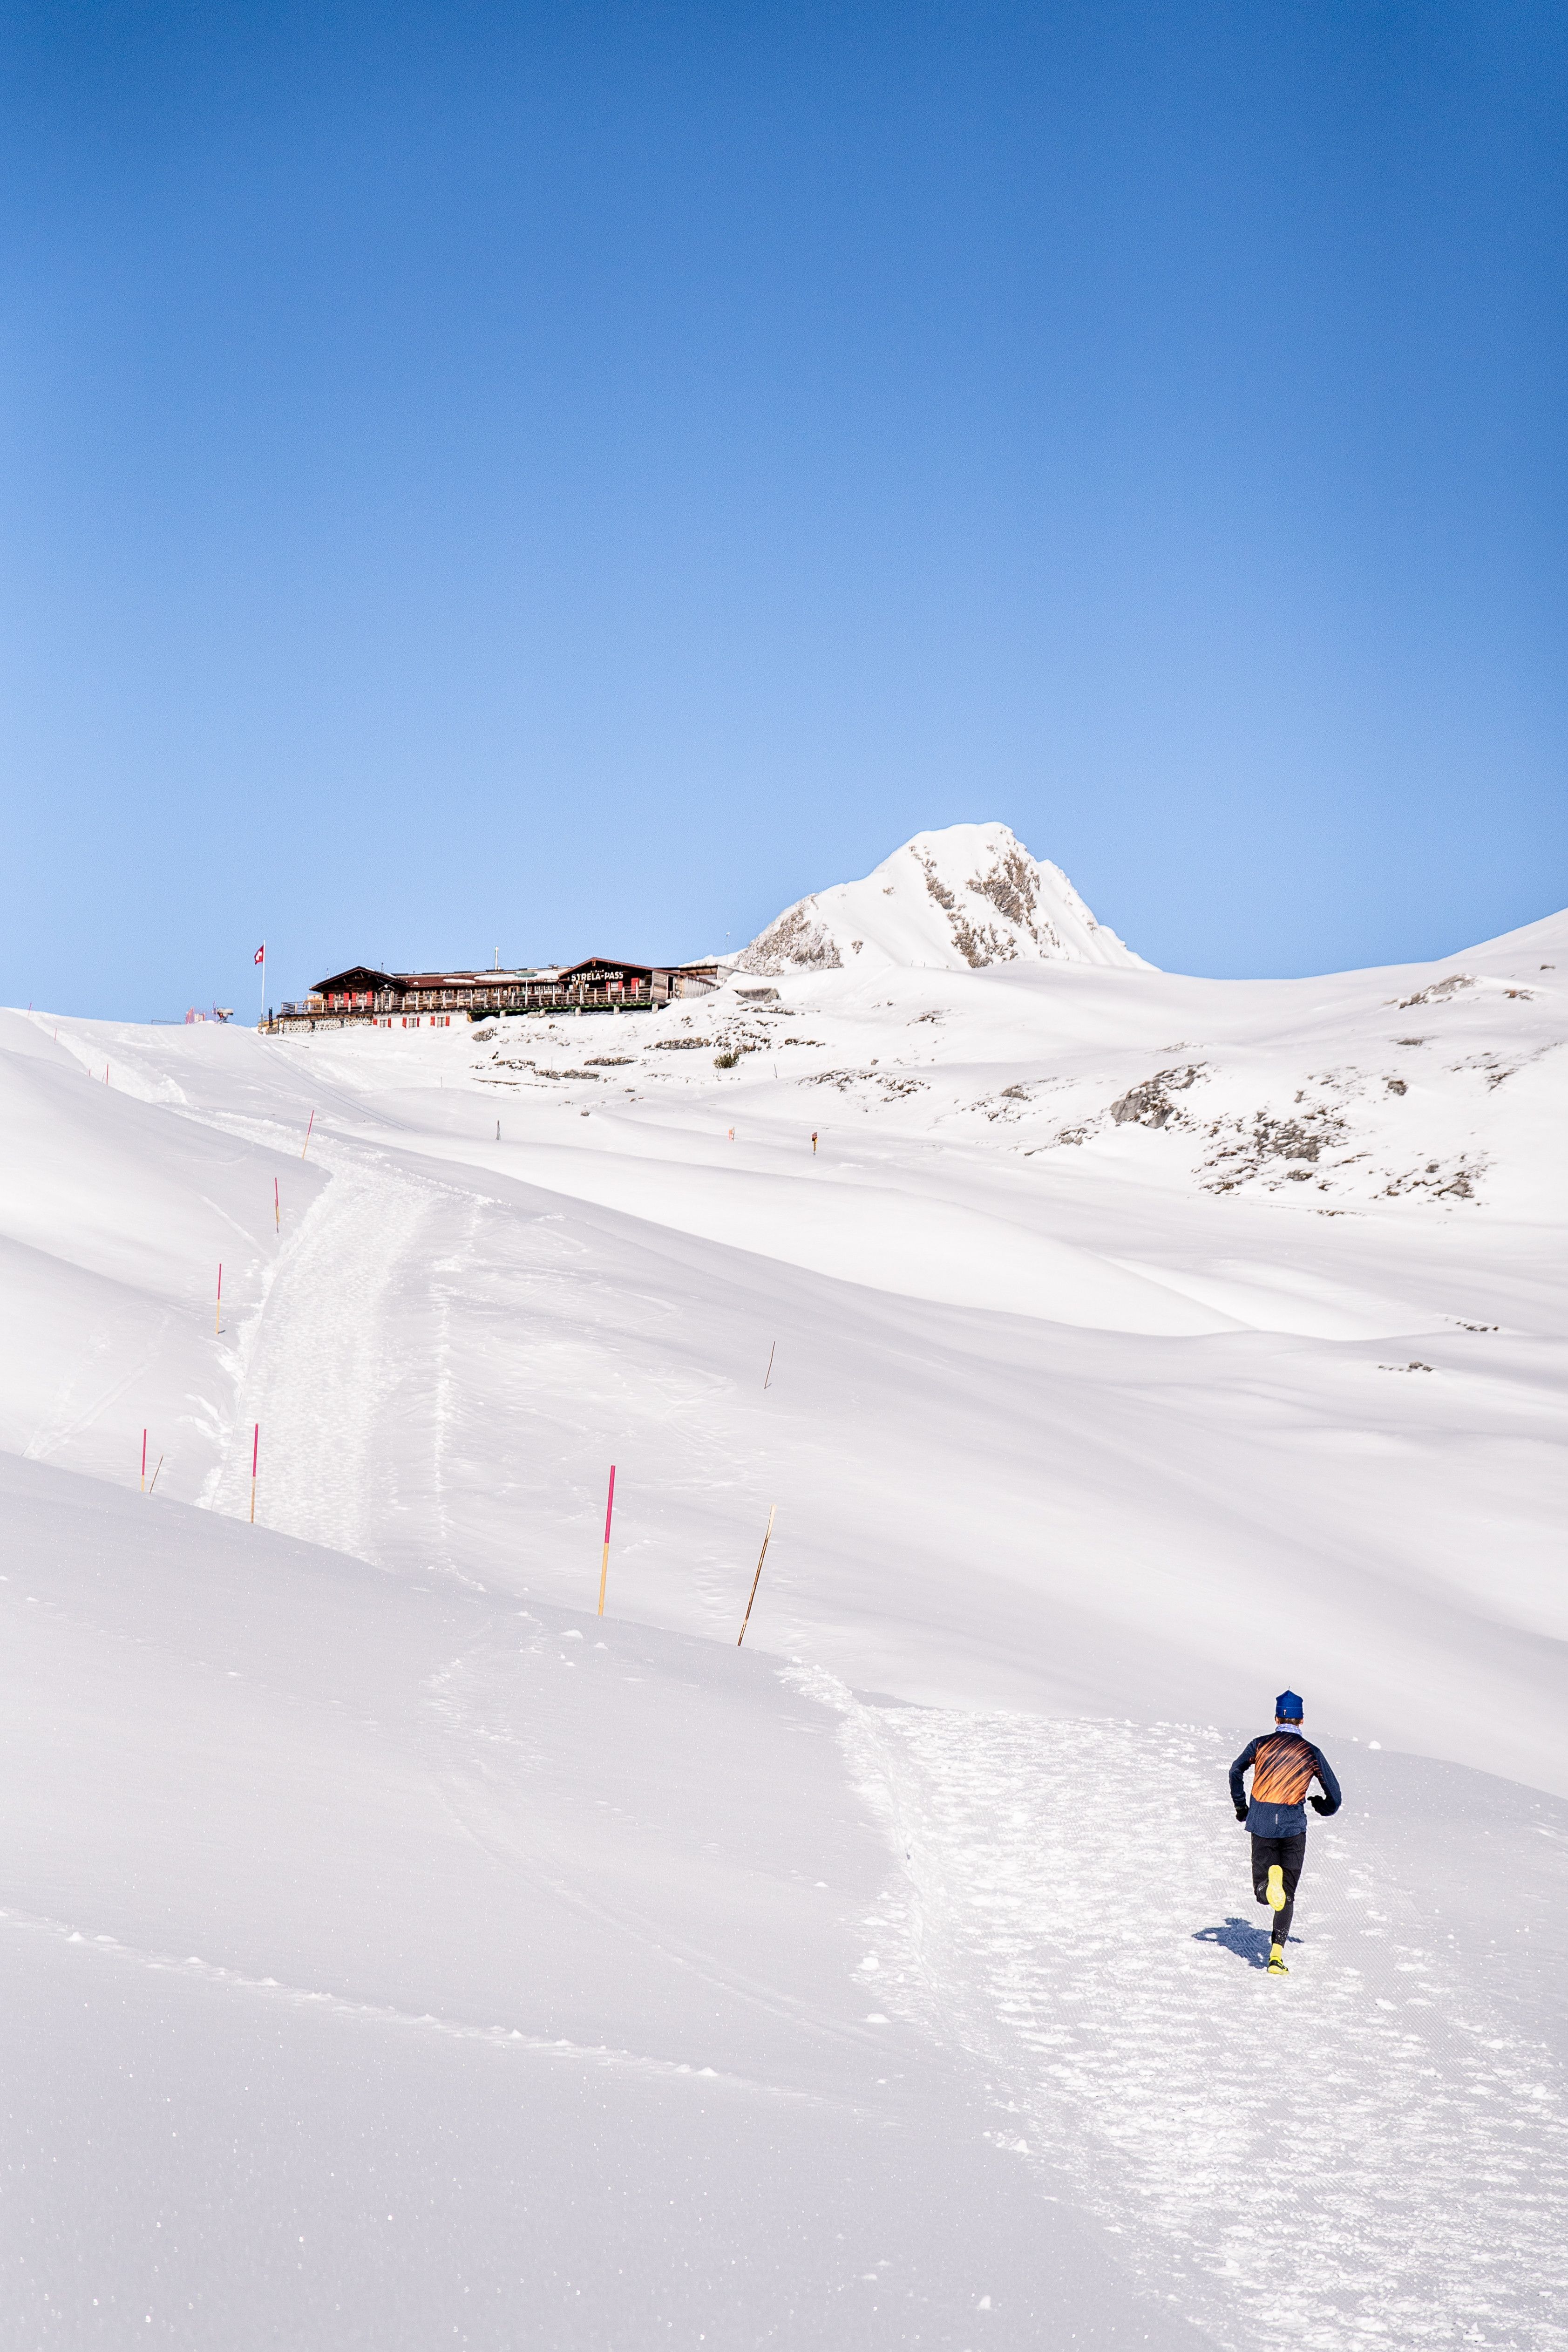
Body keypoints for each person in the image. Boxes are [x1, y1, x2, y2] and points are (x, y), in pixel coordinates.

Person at [1229, 1692, 1341, 1975]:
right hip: (1293, 1827)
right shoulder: (1311, 1752)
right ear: (1301, 1720)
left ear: (1277, 1718)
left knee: (1264, 1893)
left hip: (1262, 1823)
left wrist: (1242, 1807)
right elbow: (1335, 1796)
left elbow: (1235, 1771)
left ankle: (1268, 1886)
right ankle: (1276, 1957)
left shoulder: (1260, 1745)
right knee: (1287, 1895)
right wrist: (1322, 1806)